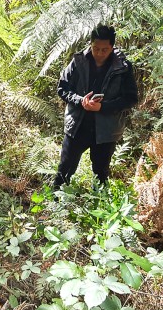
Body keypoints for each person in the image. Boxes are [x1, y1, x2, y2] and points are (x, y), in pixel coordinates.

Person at [54, 25, 138, 188]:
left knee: (100, 173)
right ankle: (54, 205)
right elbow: (62, 88)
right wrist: (80, 101)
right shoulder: (79, 61)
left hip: (106, 130)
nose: (99, 54)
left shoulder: (123, 67)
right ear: (90, 44)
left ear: (112, 47)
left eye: (104, 50)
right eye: (96, 49)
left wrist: (103, 107)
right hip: (78, 125)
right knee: (64, 169)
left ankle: (98, 209)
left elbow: (130, 99)